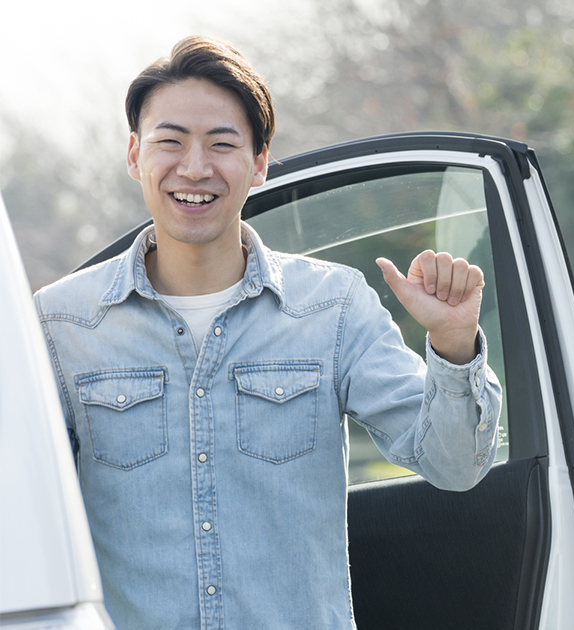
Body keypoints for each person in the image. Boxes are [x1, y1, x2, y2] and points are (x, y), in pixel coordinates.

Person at [32, 36, 501, 629]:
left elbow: (455, 467)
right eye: (170, 141)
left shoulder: (332, 307)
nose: (194, 168)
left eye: (222, 144)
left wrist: (454, 344)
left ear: (258, 163)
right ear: (134, 155)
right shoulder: (60, 324)